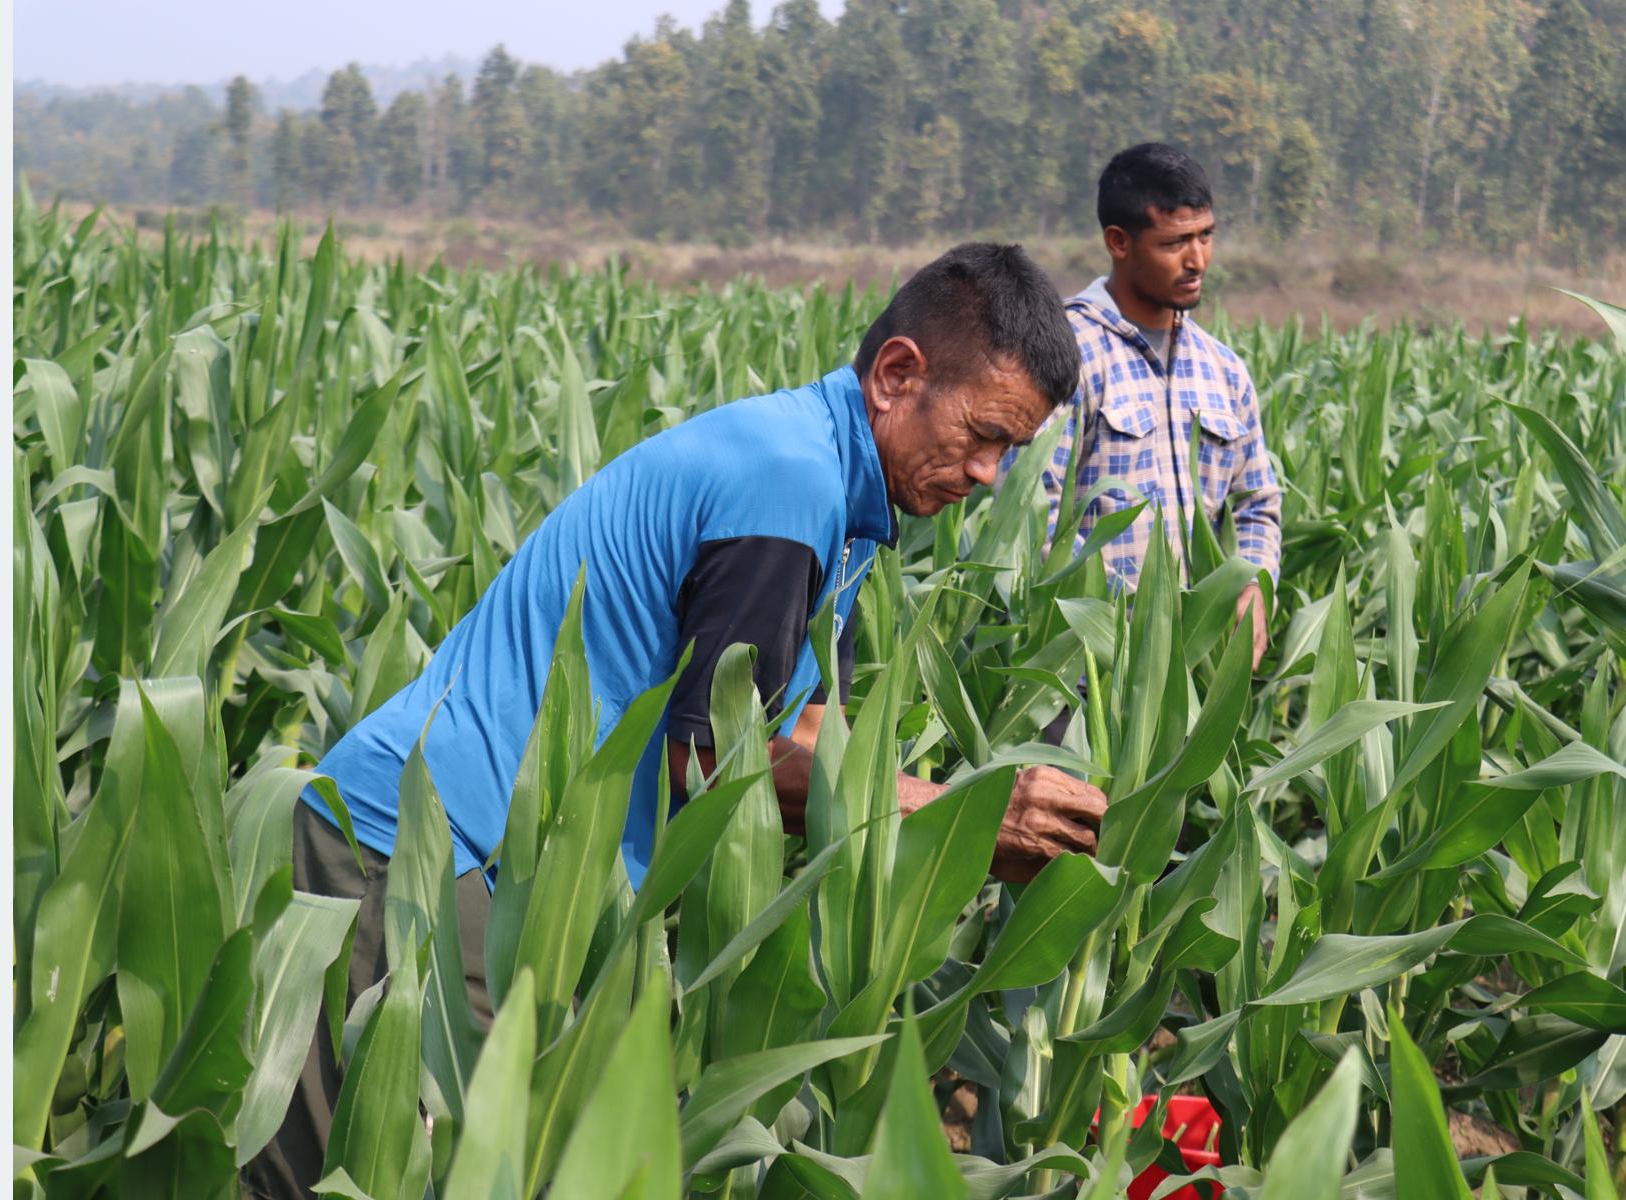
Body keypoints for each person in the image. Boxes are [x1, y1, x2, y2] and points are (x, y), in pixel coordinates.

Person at [249, 243, 1110, 1199]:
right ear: (897, 374)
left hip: (520, 866)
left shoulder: (839, 494)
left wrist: (958, 814)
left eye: (1010, 450)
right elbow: (714, 766)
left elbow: (798, 728)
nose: (989, 473)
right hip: (426, 853)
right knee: (377, 1177)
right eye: (983, 434)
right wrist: (967, 819)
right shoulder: (788, 485)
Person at [1007, 142, 1282, 669]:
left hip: (1198, 676)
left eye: (1206, 236)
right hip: (1089, 676)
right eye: (1174, 242)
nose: (1197, 260)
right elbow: (1029, 514)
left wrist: (1251, 584)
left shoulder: (1224, 371)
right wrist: (1113, 625)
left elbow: (1256, 504)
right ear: (1119, 242)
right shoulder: (1065, 356)